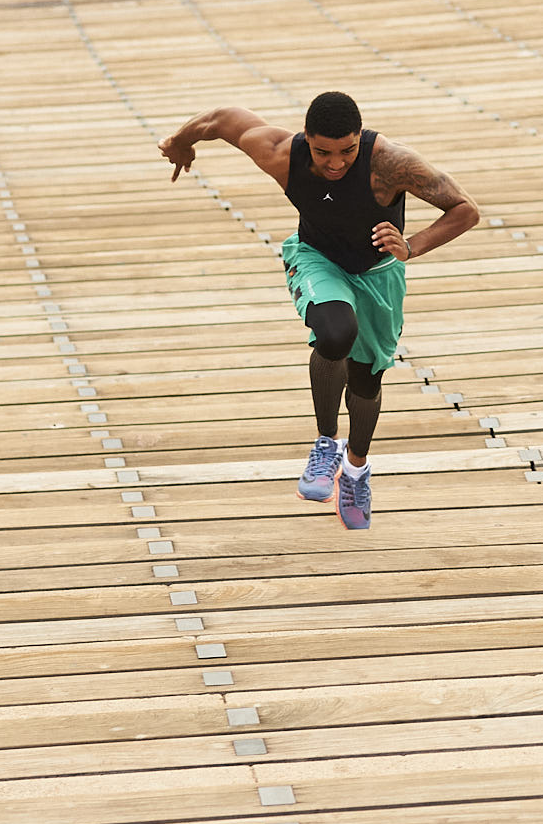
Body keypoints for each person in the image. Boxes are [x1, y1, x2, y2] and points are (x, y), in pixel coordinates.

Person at [158, 92, 479, 529]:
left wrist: (412, 246)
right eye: (323, 151)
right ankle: (326, 444)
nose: (335, 163)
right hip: (317, 259)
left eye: (347, 150)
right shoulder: (279, 153)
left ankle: (356, 469)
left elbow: (465, 210)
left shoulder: (390, 162)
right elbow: (221, 118)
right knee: (334, 333)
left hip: (379, 272)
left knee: (366, 382)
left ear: (360, 139)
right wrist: (181, 140)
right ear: (305, 138)